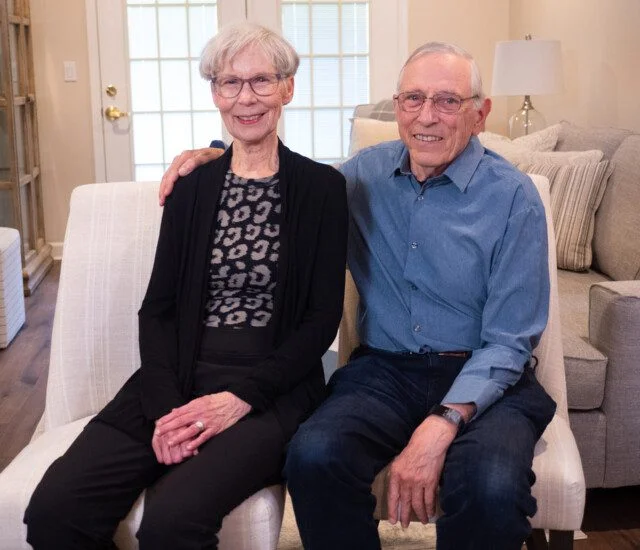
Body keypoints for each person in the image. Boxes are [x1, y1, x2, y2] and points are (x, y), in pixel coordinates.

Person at [158, 42, 556, 550]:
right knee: (313, 456)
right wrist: (219, 154)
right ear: (396, 107)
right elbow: (290, 185)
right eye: (412, 99)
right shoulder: (360, 176)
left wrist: (444, 423)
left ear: (480, 113)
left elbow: (509, 340)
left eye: (448, 101)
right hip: (385, 371)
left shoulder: (514, 197)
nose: (426, 116)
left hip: (487, 377)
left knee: (490, 486)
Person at [24, 22, 347, 550]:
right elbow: (158, 310)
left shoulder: (323, 189)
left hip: (269, 390)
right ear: (214, 92)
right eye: (229, 83)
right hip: (175, 374)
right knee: (55, 511)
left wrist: (239, 399)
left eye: (262, 81)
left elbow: (321, 320)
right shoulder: (192, 186)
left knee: (173, 521)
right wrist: (166, 408)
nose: (246, 98)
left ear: (288, 88)